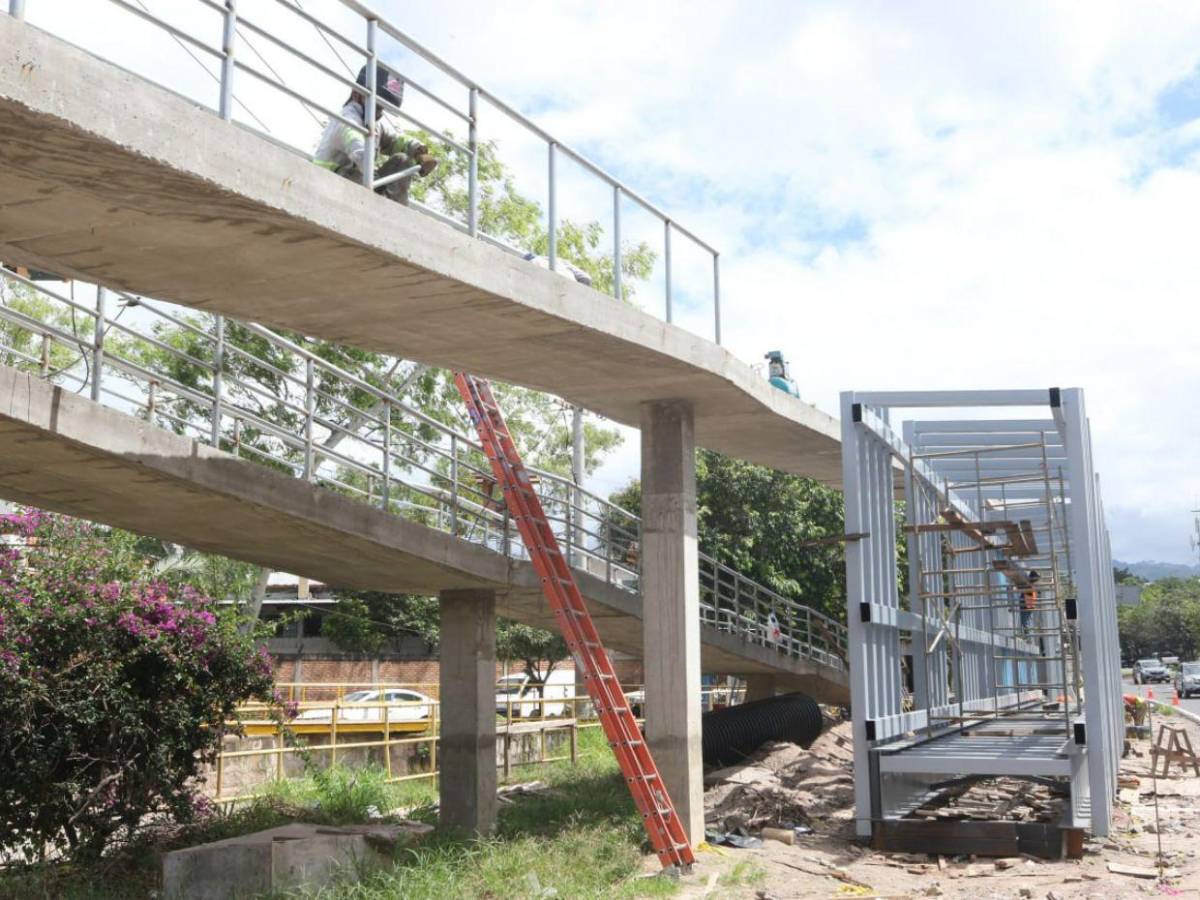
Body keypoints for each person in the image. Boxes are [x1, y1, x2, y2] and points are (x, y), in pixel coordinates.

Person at [313, 64, 437, 206]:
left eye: (382, 108)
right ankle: (382, 207)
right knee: (358, 174)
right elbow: (360, 153)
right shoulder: (347, 121)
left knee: (402, 160)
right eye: (377, 106)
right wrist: (377, 182)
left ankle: (395, 212)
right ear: (356, 95)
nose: (379, 113)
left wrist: (418, 151)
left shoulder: (373, 124)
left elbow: (396, 141)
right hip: (327, 183)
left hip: (357, 186)